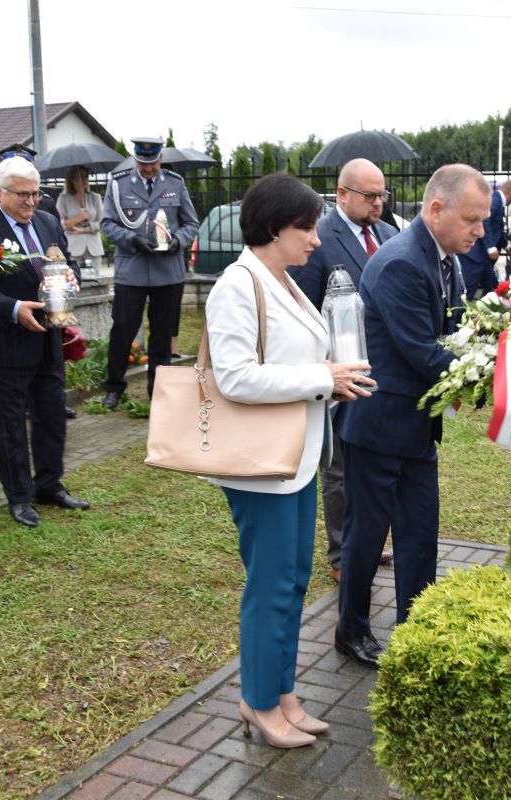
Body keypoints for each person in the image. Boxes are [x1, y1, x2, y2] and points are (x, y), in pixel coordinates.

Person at [204, 173, 373, 748]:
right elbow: (234, 377)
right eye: (307, 228)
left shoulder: (285, 280)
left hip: (299, 455)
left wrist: (333, 383)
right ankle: (257, 702)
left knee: (294, 581)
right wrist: (320, 378)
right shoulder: (237, 283)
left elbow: (302, 358)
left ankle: (282, 695)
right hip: (262, 463)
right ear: (276, 227)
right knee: (271, 586)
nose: (317, 240)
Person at [334, 164, 483, 669]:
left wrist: (491, 345)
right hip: (379, 426)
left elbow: (453, 331)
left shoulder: (444, 257)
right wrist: (493, 371)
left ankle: (418, 629)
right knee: (366, 538)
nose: (480, 231)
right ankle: (350, 630)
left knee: (420, 533)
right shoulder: (402, 262)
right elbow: (423, 351)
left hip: (417, 425)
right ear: (436, 209)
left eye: (483, 221)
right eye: (472, 220)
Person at [0, 156, 89, 529]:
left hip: (49, 337)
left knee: (51, 416)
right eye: (22, 195)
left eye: (35, 193)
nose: (31, 202)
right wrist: (13, 309)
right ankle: (20, 496)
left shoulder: (47, 220)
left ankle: (49, 485)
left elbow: (67, 262)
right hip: (4, 341)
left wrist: (71, 280)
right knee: (9, 423)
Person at [289, 158, 398, 583]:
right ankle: (341, 555)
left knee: (375, 464)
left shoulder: (390, 234)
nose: (377, 203)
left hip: (383, 370)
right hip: (336, 372)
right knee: (338, 467)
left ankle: (369, 541)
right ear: (343, 194)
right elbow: (303, 303)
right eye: (369, 195)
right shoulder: (321, 238)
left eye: (381, 195)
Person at [100, 137, 199, 408]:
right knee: (122, 329)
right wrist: (131, 240)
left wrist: (178, 240)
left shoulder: (175, 183)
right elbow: (107, 223)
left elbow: (191, 222)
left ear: (160, 159)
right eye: (142, 163)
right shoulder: (118, 185)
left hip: (168, 271)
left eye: (152, 163)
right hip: (132, 269)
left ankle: (159, 390)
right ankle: (115, 387)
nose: (147, 169)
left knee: (162, 332)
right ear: (135, 159)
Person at [458, 179, 511, 299]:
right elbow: (485, 220)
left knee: (494, 288)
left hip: (481, 257)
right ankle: (457, 316)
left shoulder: (497, 201)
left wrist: (506, 246)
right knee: (468, 291)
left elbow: (497, 228)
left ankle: (499, 312)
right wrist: (491, 247)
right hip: (474, 256)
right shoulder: (495, 199)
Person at [57, 165, 104, 273]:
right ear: (72, 180)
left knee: (95, 282)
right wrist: (78, 218)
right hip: (73, 248)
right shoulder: (63, 199)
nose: (84, 180)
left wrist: (83, 230)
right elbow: (58, 223)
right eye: (80, 177)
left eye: (86, 177)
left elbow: (102, 222)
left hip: (94, 249)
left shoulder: (95, 197)